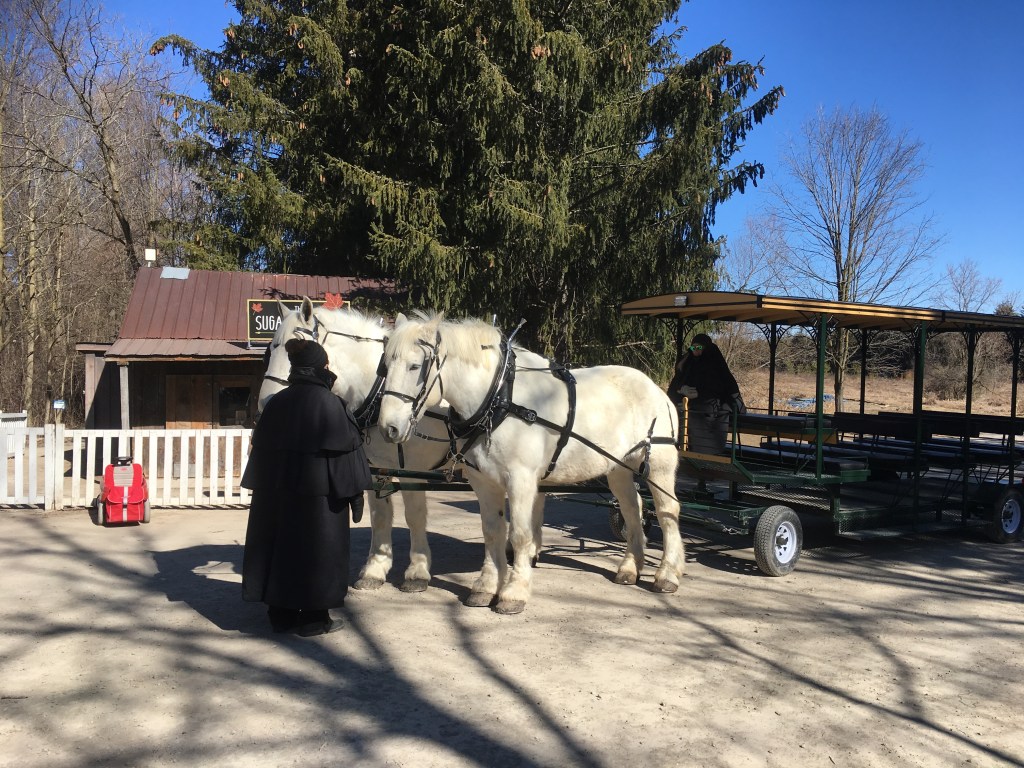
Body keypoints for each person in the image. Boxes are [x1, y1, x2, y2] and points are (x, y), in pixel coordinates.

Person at [241, 337, 371, 637]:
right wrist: (354, 494)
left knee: (279, 550)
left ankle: (281, 616)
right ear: (321, 367)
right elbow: (348, 456)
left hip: (276, 499)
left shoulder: (275, 405)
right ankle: (314, 619)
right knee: (319, 553)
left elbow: (259, 456)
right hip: (320, 503)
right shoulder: (333, 405)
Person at [667, 333, 746, 454]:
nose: (696, 351)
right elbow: (675, 385)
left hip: (710, 410)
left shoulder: (714, 363)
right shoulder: (688, 363)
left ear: (706, 348)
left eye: (699, 348)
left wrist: (698, 395)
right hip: (688, 408)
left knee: (698, 422)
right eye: (693, 348)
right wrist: (681, 389)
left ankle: (702, 457)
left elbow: (719, 388)